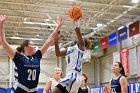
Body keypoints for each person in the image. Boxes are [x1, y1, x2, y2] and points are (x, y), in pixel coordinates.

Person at [0, 15, 63, 93]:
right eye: (32, 45)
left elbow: (49, 40)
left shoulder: (37, 56)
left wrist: (58, 26)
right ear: (26, 47)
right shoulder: (19, 58)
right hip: (20, 90)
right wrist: (1, 24)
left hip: (33, 90)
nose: (35, 46)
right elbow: (3, 42)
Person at [52, 19, 88, 93]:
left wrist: (76, 19)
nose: (80, 38)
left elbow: (77, 30)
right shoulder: (69, 49)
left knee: (55, 91)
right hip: (70, 75)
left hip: (74, 76)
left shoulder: (81, 48)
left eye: (82, 38)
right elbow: (57, 53)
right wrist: (56, 41)